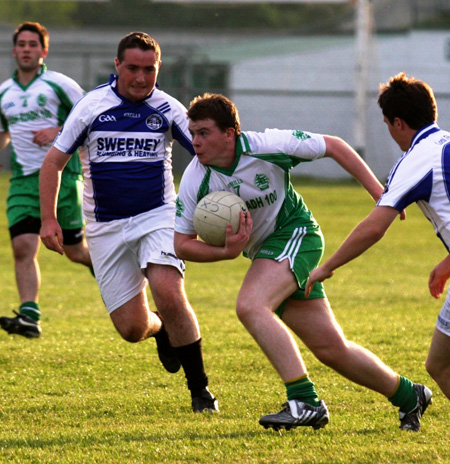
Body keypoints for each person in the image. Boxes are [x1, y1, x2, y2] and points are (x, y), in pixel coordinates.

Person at [173, 92, 432, 432]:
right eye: (192, 133)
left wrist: (379, 193)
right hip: (267, 254)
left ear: (230, 133)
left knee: (251, 306)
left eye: (203, 132)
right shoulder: (196, 178)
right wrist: (226, 252)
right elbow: (181, 245)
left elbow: (335, 146)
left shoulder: (267, 145)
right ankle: (409, 395)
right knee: (331, 348)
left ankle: (305, 401)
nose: (195, 142)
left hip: (297, 235)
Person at [39, 32, 218, 413]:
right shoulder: (91, 107)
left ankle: (201, 392)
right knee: (132, 329)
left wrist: (211, 203)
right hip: (105, 228)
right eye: (133, 68)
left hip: (158, 216)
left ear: (159, 68)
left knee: (169, 292)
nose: (141, 77)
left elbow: (209, 154)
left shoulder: (168, 108)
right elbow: (53, 162)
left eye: (149, 69)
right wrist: (49, 220)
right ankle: (161, 330)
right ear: (117, 66)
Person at [306, 72, 450, 403]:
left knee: (442, 366)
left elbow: (374, 227)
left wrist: (327, 267)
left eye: (386, 123)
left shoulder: (415, 160)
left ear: (398, 123)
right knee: (440, 363)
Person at [0, 22, 92, 339]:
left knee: (76, 250)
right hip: (24, 181)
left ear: (44, 51)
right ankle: (29, 315)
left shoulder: (59, 85)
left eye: (33, 44)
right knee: (23, 246)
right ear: (14, 51)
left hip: (63, 178)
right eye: (22, 44)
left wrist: (59, 131)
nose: (27, 49)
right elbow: (3, 136)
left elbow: (89, 117)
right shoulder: (4, 93)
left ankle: (113, 272)